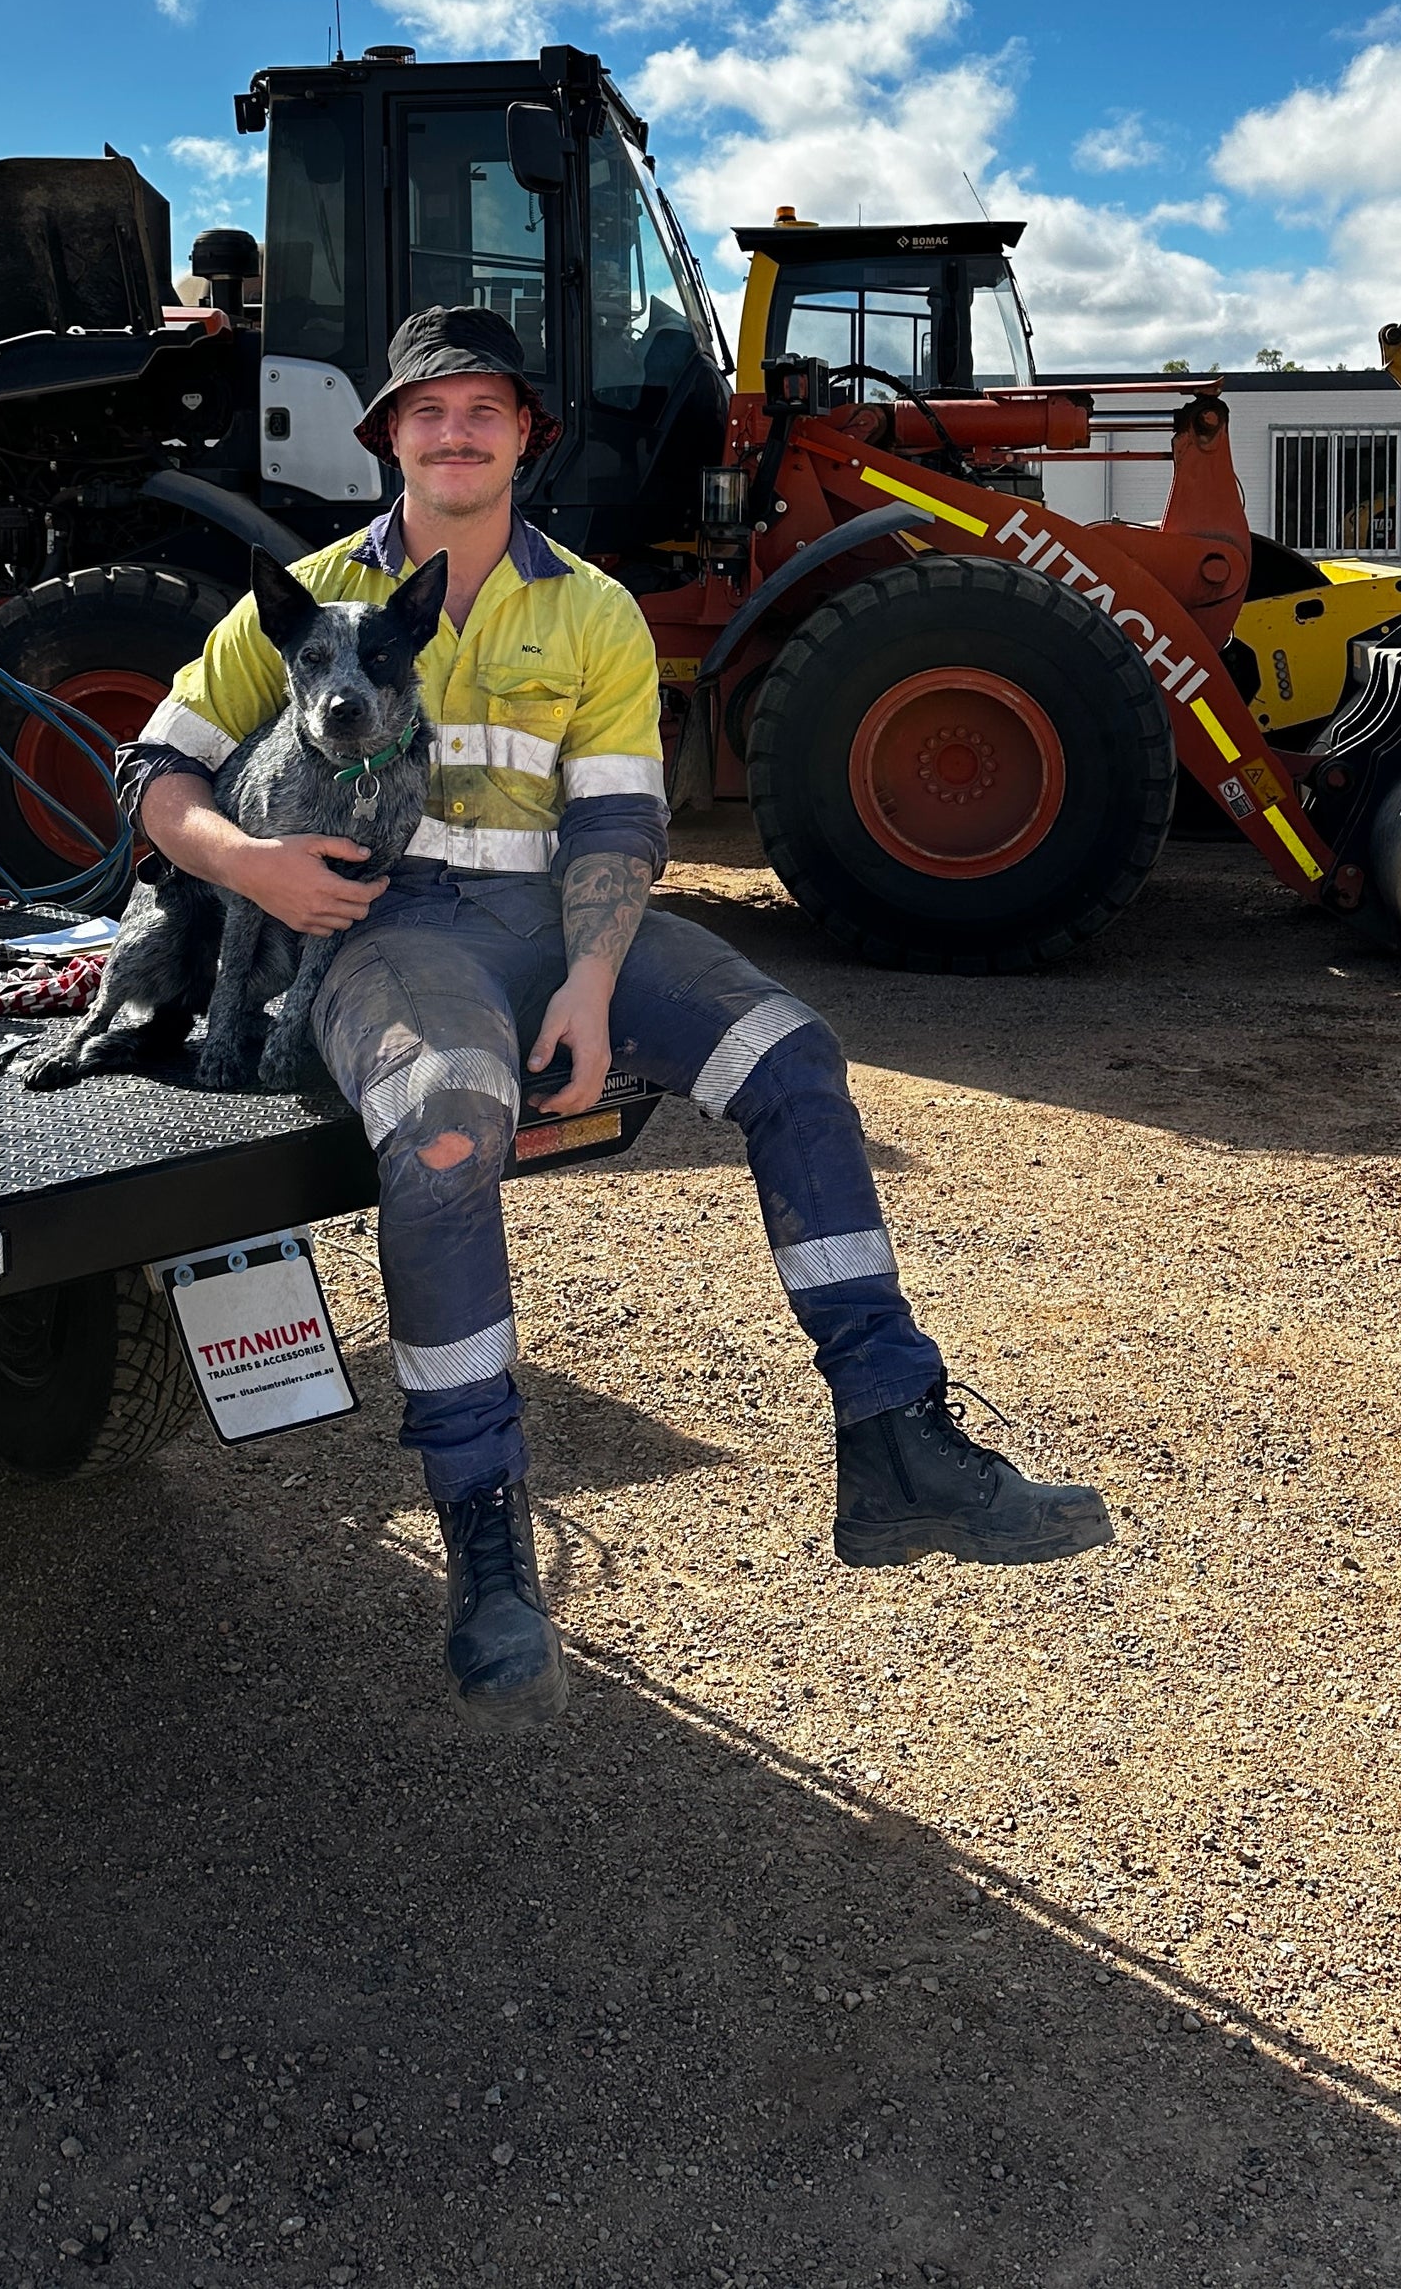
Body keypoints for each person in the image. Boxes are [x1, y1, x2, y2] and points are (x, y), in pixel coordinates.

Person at [122, 305, 1112, 1729]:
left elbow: (614, 820)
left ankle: (898, 1442)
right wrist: (248, 864)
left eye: (484, 409)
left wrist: (593, 981)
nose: (456, 433)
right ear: (390, 436)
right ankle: (487, 1548)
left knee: (792, 1056)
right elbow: (156, 769)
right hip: (391, 936)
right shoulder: (309, 596)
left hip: (557, 921)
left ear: (526, 434)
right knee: (447, 1133)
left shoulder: (589, 607)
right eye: (427, 411)